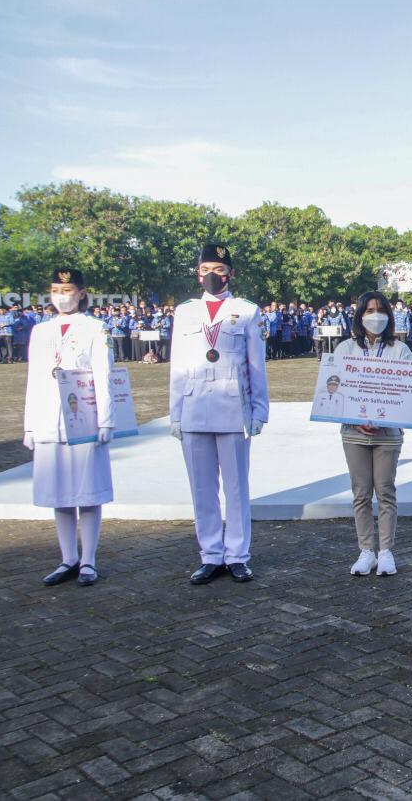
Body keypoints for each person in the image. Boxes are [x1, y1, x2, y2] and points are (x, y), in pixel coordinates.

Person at [169, 244, 270, 585]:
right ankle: (211, 554)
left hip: (232, 408)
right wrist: (175, 413)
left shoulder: (246, 311)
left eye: (220, 269)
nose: (212, 275)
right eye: (206, 268)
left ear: (231, 273)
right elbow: (177, 365)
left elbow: (256, 365)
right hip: (194, 404)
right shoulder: (185, 312)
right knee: (202, 487)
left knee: (237, 486)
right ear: (197, 272)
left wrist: (260, 410)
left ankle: (238, 554)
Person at [24, 269, 115, 588]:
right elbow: (34, 379)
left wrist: (106, 418)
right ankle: (68, 558)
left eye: (68, 289)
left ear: (81, 293)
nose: (61, 295)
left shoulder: (95, 327)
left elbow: (104, 374)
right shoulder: (40, 331)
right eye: (55, 289)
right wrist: (29, 424)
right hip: (48, 416)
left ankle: (88, 559)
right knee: (59, 493)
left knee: (87, 492)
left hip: (83, 416)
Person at [337, 291, 412, 577]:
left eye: (381, 309)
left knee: (385, 491)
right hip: (354, 433)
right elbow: (337, 390)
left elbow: (407, 394)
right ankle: (366, 551)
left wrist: (384, 417)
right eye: (369, 310)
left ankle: (386, 552)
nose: (375, 315)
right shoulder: (345, 349)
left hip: (388, 433)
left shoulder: (400, 350)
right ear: (360, 315)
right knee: (361, 493)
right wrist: (355, 419)